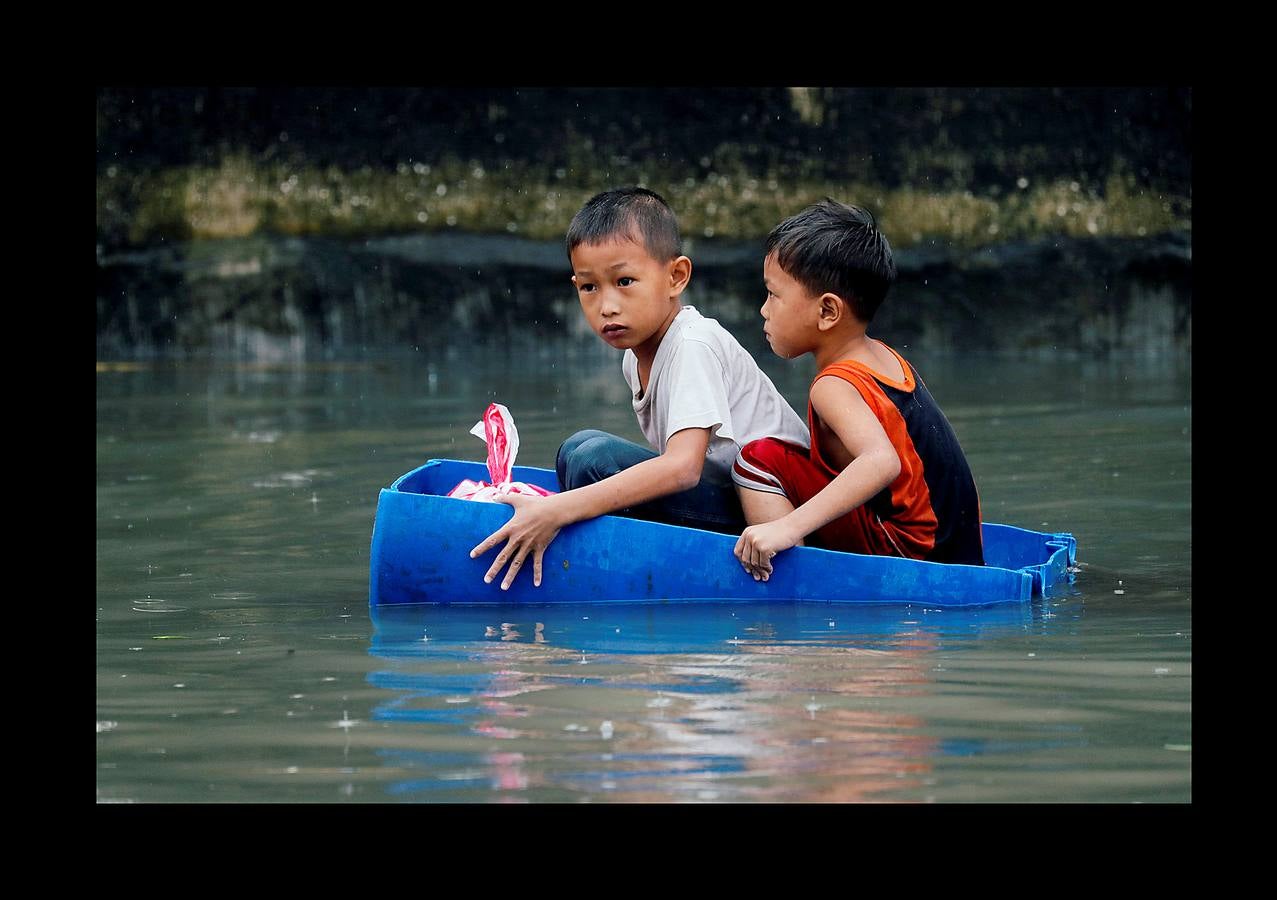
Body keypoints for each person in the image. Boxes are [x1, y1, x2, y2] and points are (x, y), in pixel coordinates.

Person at [470, 187, 808, 589]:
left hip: (778, 519)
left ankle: (588, 567)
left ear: (676, 277)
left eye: (624, 281)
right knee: (574, 451)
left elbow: (683, 469)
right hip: (727, 497)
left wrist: (558, 510)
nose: (606, 305)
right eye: (589, 287)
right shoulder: (636, 355)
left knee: (593, 459)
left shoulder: (691, 344)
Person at [731, 199, 984, 581]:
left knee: (758, 459)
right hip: (955, 548)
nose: (763, 310)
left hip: (911, 554)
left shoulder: (834, 385)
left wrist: (789, 526)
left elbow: (882, 462)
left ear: (828, 312)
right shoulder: (883, 357)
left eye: (773, 295)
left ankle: (786, 580)